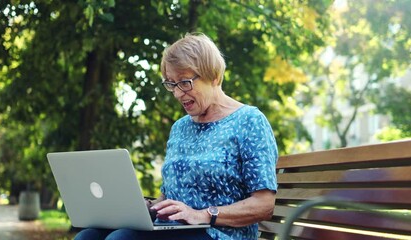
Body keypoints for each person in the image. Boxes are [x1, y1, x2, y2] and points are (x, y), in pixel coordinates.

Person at [75, 33, 278, 240]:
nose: (178, 93)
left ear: (214, 76)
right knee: (88, 236)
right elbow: (169, 195)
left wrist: (202, 215)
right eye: (171, 84)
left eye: (184, 82)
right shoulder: (180, 128)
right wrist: (147, 207)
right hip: (171, 230)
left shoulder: (249, 121)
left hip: (219, 234)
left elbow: (264, 205)